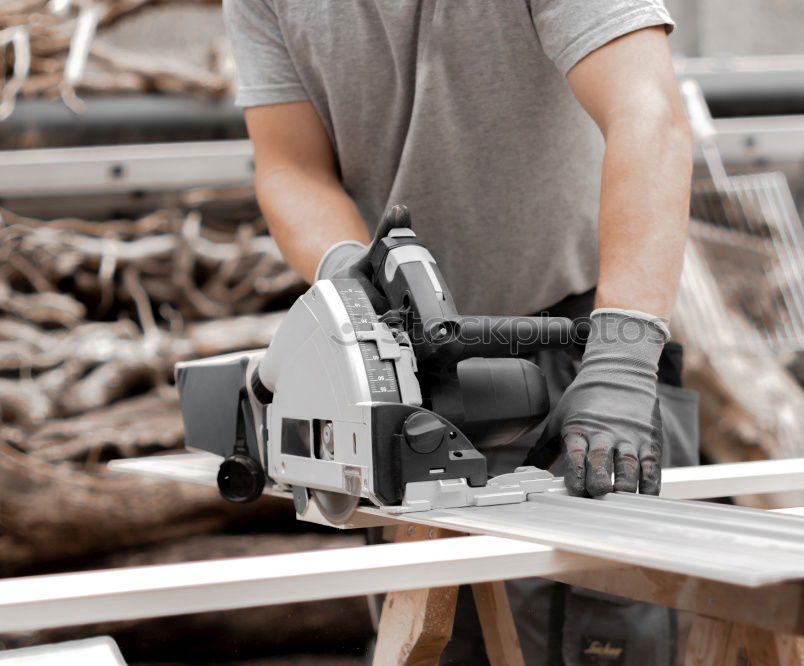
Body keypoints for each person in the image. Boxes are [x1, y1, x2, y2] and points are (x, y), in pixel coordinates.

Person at [223, 1, 698, 663]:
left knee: (606, 636)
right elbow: (289, 165)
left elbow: (647, 111)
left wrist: (621, 357)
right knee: (436, 638)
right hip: (396, 359)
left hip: (580, 340)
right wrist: (352, 280)